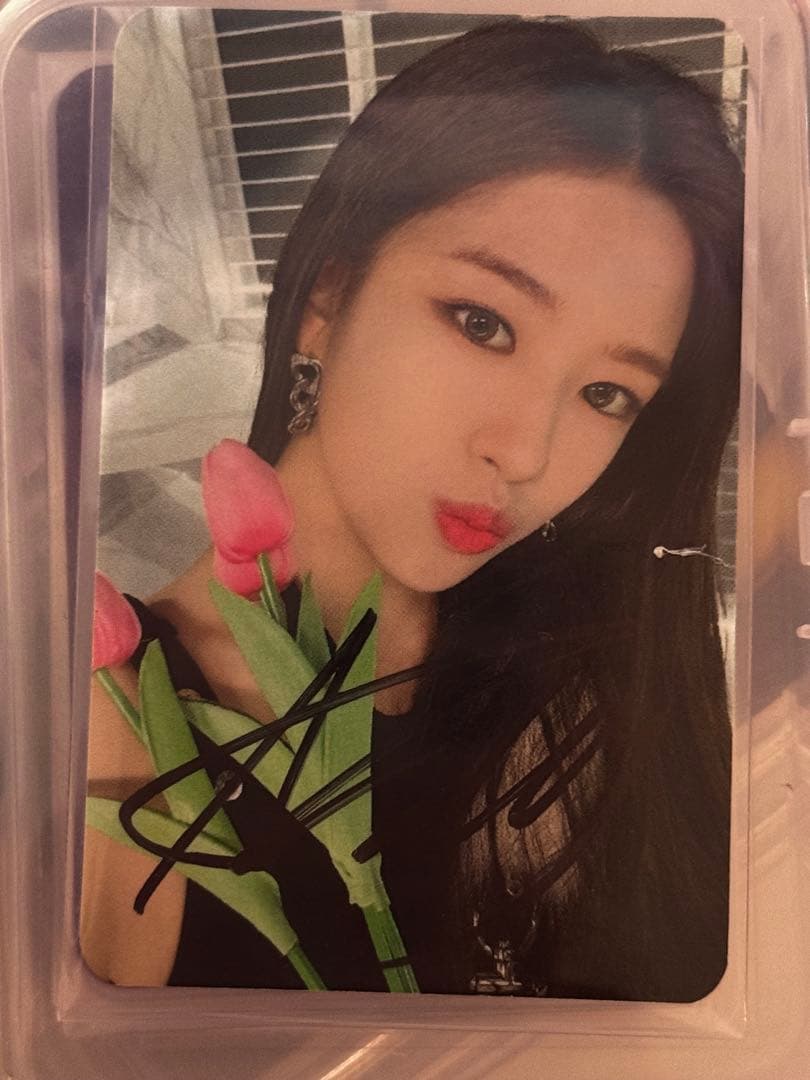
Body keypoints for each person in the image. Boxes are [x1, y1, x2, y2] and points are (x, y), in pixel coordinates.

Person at [82, 18, 744, 1002]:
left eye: (608, 394)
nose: (527, 452)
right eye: (484, 323)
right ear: (329, 296)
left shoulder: (585, 694)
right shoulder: (112, 736)